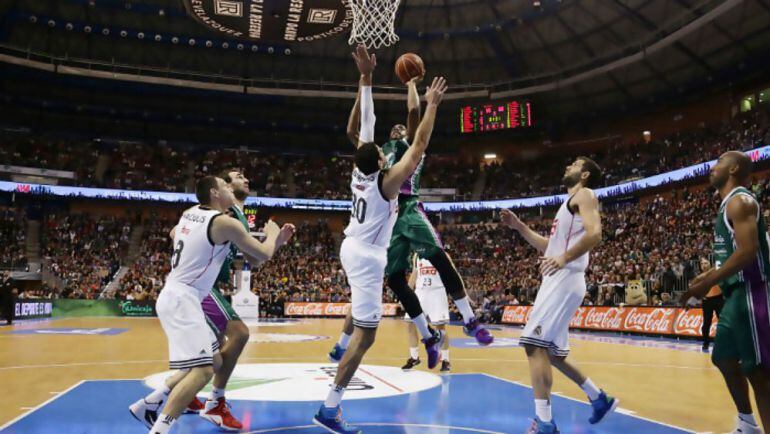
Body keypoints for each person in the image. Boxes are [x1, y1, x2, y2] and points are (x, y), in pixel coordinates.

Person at [312, 44, 448, 434]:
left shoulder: (362, 169)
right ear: (383, 161)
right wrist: (433, 105)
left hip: (351, 245)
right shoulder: (388, 185)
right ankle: (330, 407)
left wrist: (366, 77)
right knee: (367, 335)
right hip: (368, 254)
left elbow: (361, 127)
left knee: (372, 306)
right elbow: (419, 146)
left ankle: (416, 335)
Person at [329, 50, 492, 369]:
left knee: (437, 255)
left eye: (399, 131)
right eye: (391, 132)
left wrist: (411, 84)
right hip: (386, 218)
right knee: (394, 279)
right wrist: (362, 87)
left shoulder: (404, 149)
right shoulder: (377, 156)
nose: (394, 132)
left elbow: (414, 117)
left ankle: (470, 320)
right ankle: (427, 336)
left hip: (408, 208)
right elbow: (356, 133)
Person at [129, 176, 294, 434]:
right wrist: (275, 236)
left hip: (180, 294)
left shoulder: (190, 213)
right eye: (226, 186)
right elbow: (262, 254)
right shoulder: (224, 223)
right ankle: (160, 429)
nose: (230, 189)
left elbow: (175, 234)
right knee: (205, 370)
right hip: (184, 297)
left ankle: (149, 404)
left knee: (214, 361)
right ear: (216, 193)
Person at [500, 157, 618, 434]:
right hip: (562, 278)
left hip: (565, 278)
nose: (567, 166)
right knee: (553, 353)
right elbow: (549, 247)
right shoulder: (567, 205)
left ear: (585, 174)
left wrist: (564, 258)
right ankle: (599, 398)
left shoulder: (585, 194)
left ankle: (544, 423)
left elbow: (596, 234)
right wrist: (520, 227)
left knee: (533, 345)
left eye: (574, 164)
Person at [681, 151, 769, 433]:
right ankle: (747, 423)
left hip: (753, 292)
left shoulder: (740, 202)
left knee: (758, 372)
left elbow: (747, 252)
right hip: (734, 296)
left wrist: (708, 284)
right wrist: (702, 279)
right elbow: (726, 259)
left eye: (718, 163)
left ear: (732, 168)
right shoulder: (725, 207)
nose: (712, 168)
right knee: (723, 357)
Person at [403, 253, 451, 372]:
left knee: (441, 327)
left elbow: (450, 275)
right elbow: (414, 274)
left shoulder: (443, 254)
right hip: (420, 293)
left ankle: (445, 360)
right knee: (410, 324)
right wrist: (406, 294)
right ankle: (414, 357)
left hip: (437, 292)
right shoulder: (416, 256)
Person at [698, 257, 724, 352]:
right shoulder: (700, 277)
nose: (704, 265)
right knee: (706, 323)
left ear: (710, 264)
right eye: (702, 264)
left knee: (723, 322)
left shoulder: (716, 271)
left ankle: (725, 342)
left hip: (718, 299)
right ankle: (705, 342)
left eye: (706, 263)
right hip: (707, 301)